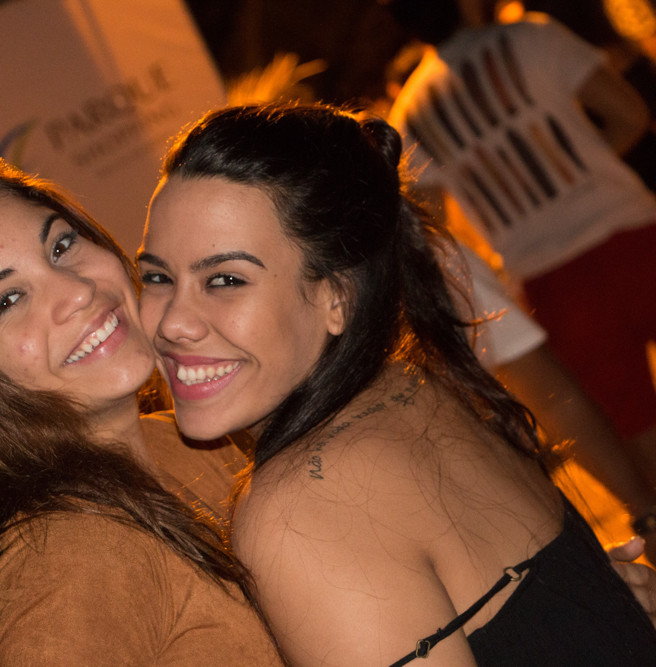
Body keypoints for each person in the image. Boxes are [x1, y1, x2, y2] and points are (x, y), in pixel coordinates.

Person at [136, 101, 656, 664]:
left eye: (224, 280)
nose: (172, 323)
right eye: (158, 277)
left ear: (338, 297)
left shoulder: (298, 511)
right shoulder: (418, 387)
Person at [0, 151, 283, 665]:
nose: (77, 291)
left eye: (60, 245)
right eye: (8, 301)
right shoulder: (63, 557)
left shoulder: (190, 438)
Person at [384, 0, 656, 495]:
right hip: (634, 234)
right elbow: (630, 114)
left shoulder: (411, 114)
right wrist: (578, 167)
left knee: (638, 426)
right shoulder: (532, 36)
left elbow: (433, 227)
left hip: (551, 282)